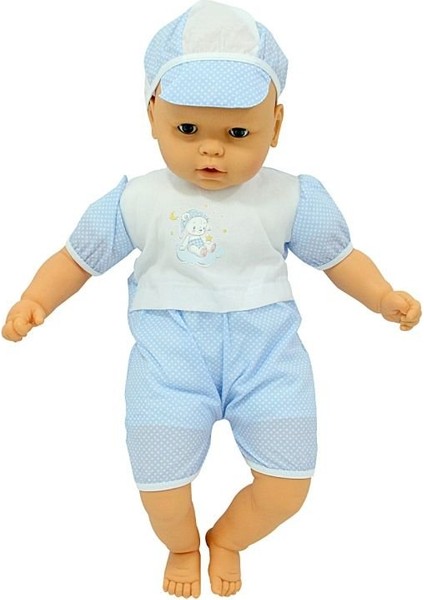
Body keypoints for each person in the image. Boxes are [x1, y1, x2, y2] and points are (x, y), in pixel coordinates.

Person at [2, 1, 421, 597]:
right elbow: (76, 258)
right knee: (161, 488)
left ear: (276, 124)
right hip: (170, 363)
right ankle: (182, 546)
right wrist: (35, 299)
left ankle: (228, 539)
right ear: (153, 115)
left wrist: (381, 295)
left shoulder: (292, 198)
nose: (211, 151)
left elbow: (339, 258)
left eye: (238, 133)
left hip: (268, 359)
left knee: (288, 486)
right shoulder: (136, 200)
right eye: (188, 130)